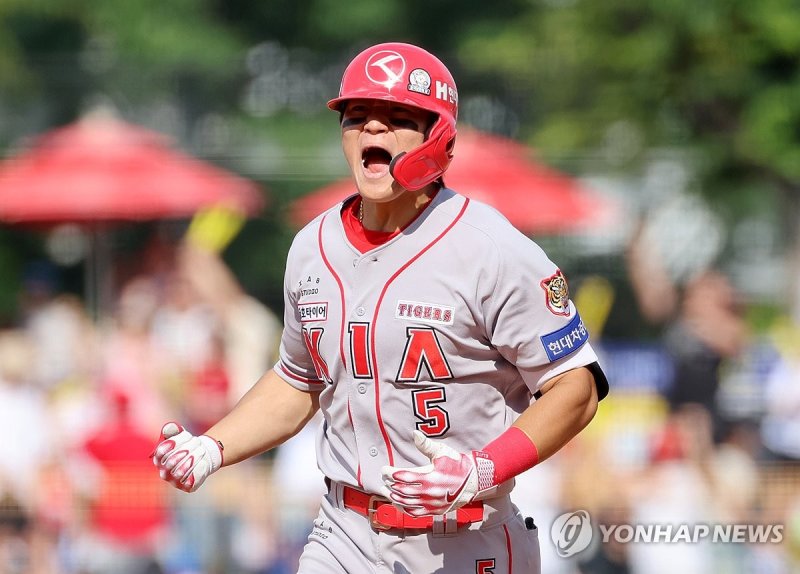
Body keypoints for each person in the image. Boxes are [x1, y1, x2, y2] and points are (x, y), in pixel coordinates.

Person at [152, 42, 609, 573]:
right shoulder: (310, 247)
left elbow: (575, 388)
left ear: (438, 138)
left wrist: (483, 469)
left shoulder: (492, 248)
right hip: (342, 533)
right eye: (358, 117)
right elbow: (299, 380)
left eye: (397, 118)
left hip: (462, 539)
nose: (372, 131)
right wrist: (212, 448)